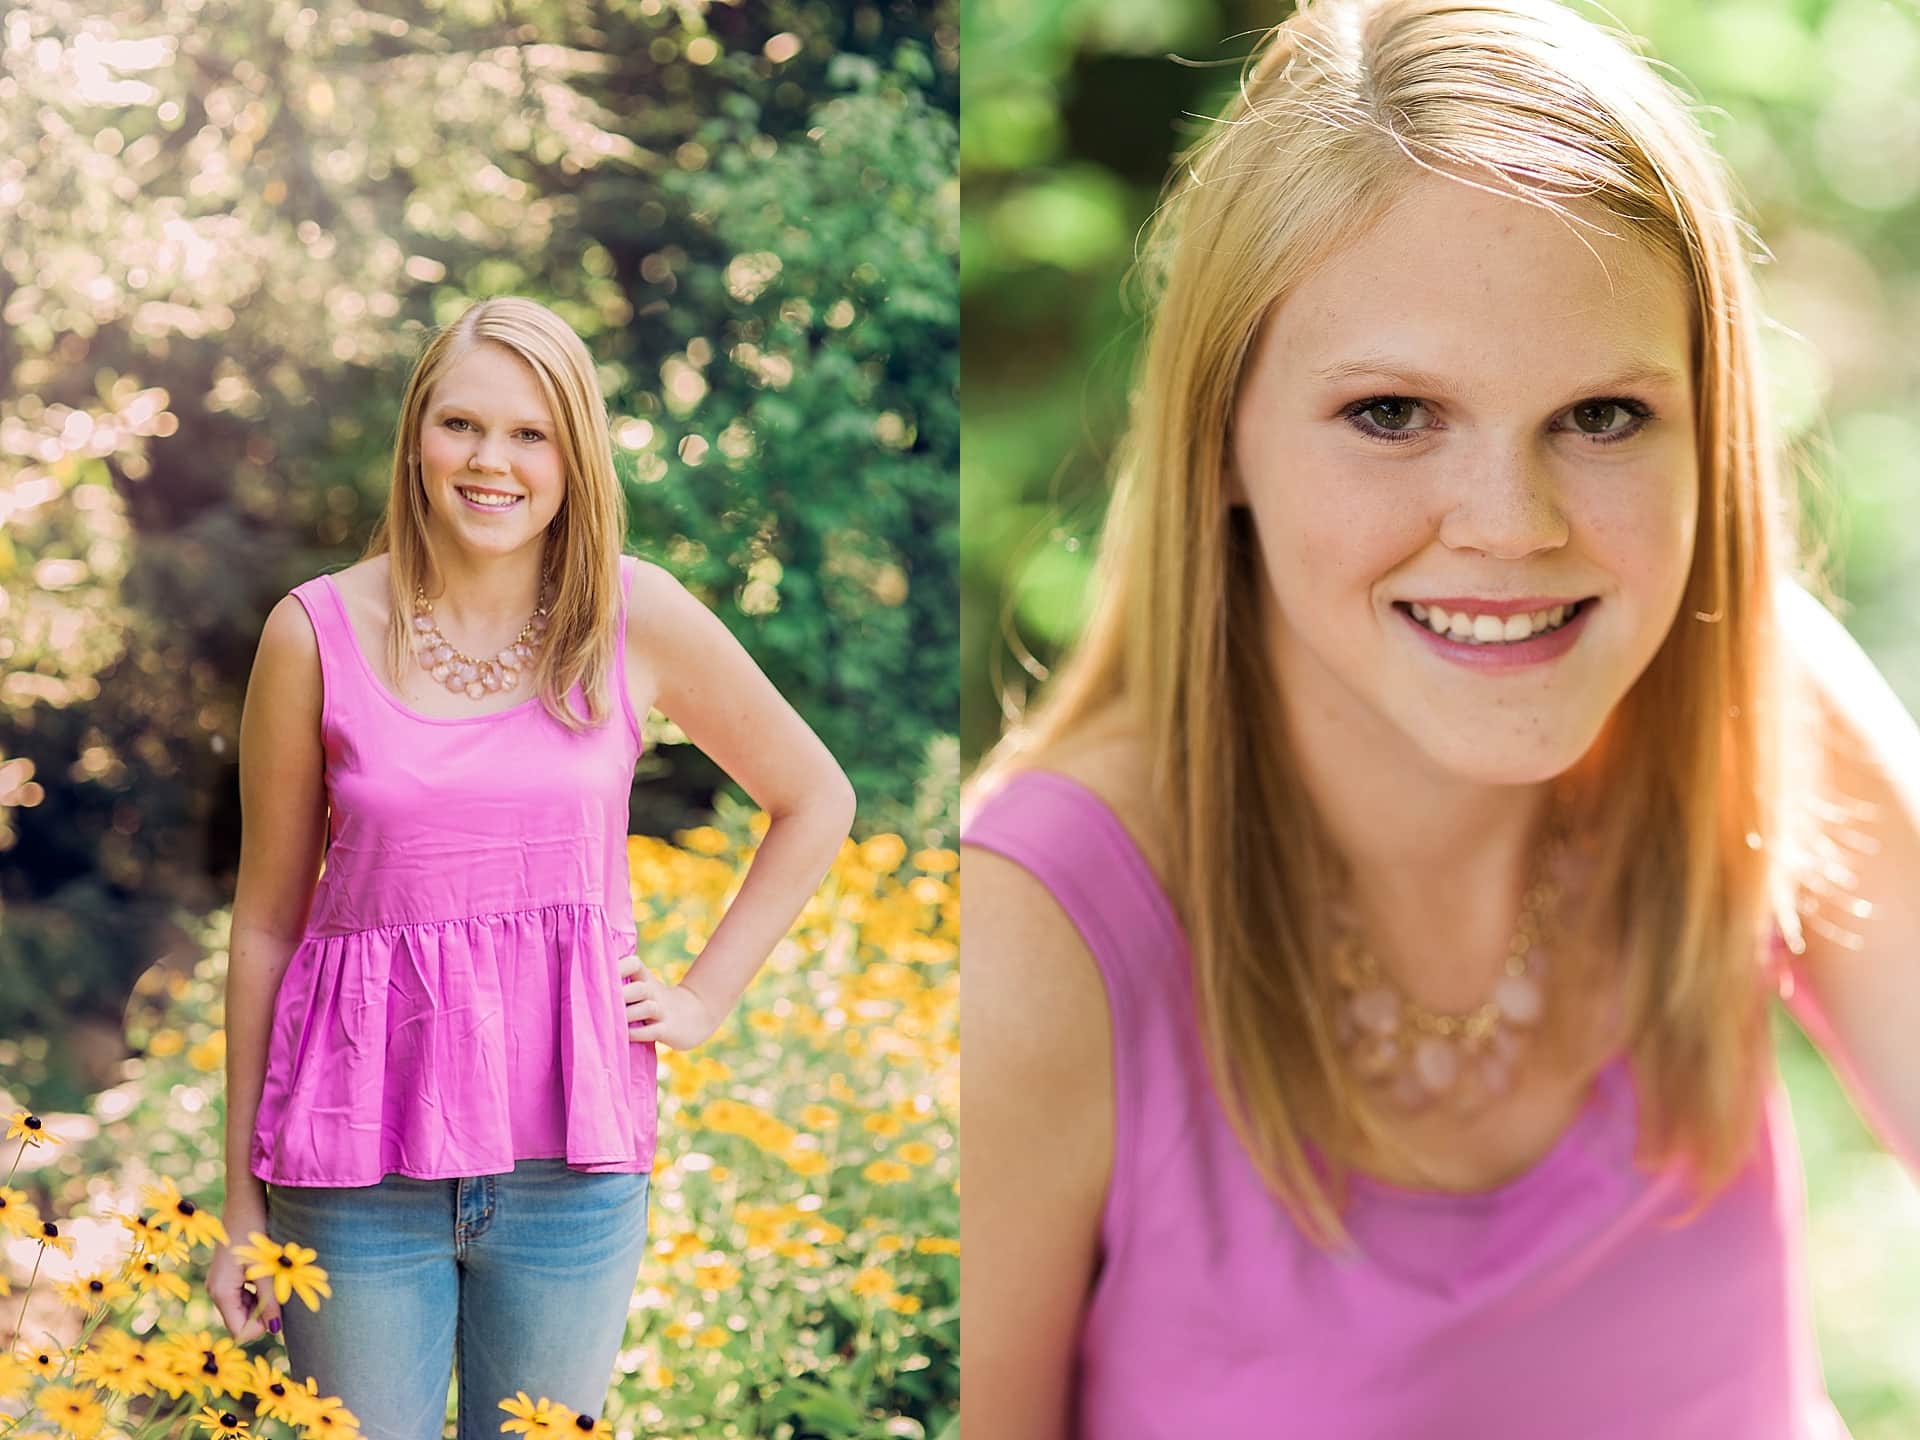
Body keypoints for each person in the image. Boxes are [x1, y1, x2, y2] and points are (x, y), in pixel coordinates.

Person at [959, 1, 1919, 1436]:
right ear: (1222, 436)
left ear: (1707, 428)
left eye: (1601, 417)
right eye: (1396, 412)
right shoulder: (1037, 942)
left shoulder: (1746, 698)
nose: (1510, 528)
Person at [206, 295, 856, 1432]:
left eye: (530, 434)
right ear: (417, 436)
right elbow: (265, 926)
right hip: (353, 1170)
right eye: (462, 425)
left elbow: (814, 798)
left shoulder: (632, 614)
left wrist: (705, 997)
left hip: (573, 1164)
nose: (491, 461)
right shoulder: (313, 634)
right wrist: (239, 1206)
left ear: (573, 456)